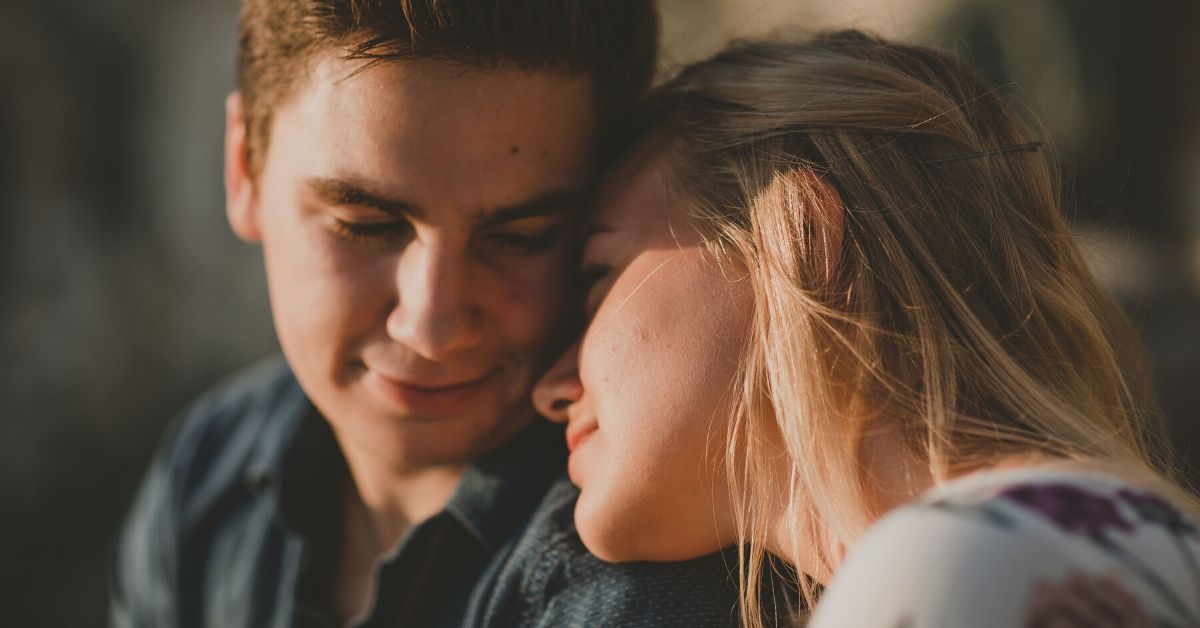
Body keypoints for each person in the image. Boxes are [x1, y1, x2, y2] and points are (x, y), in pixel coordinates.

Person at [533, 30, 1200, 628]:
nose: (552, 386)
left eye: (598, 277)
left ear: (799, 235)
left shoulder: (960, 564)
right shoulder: (1123, 538)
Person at [110, 2, 744, 627]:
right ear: (243, 168)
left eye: (521, 237)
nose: (433, 328)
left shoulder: (641, 575)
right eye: (366, 226)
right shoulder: (206, 469)